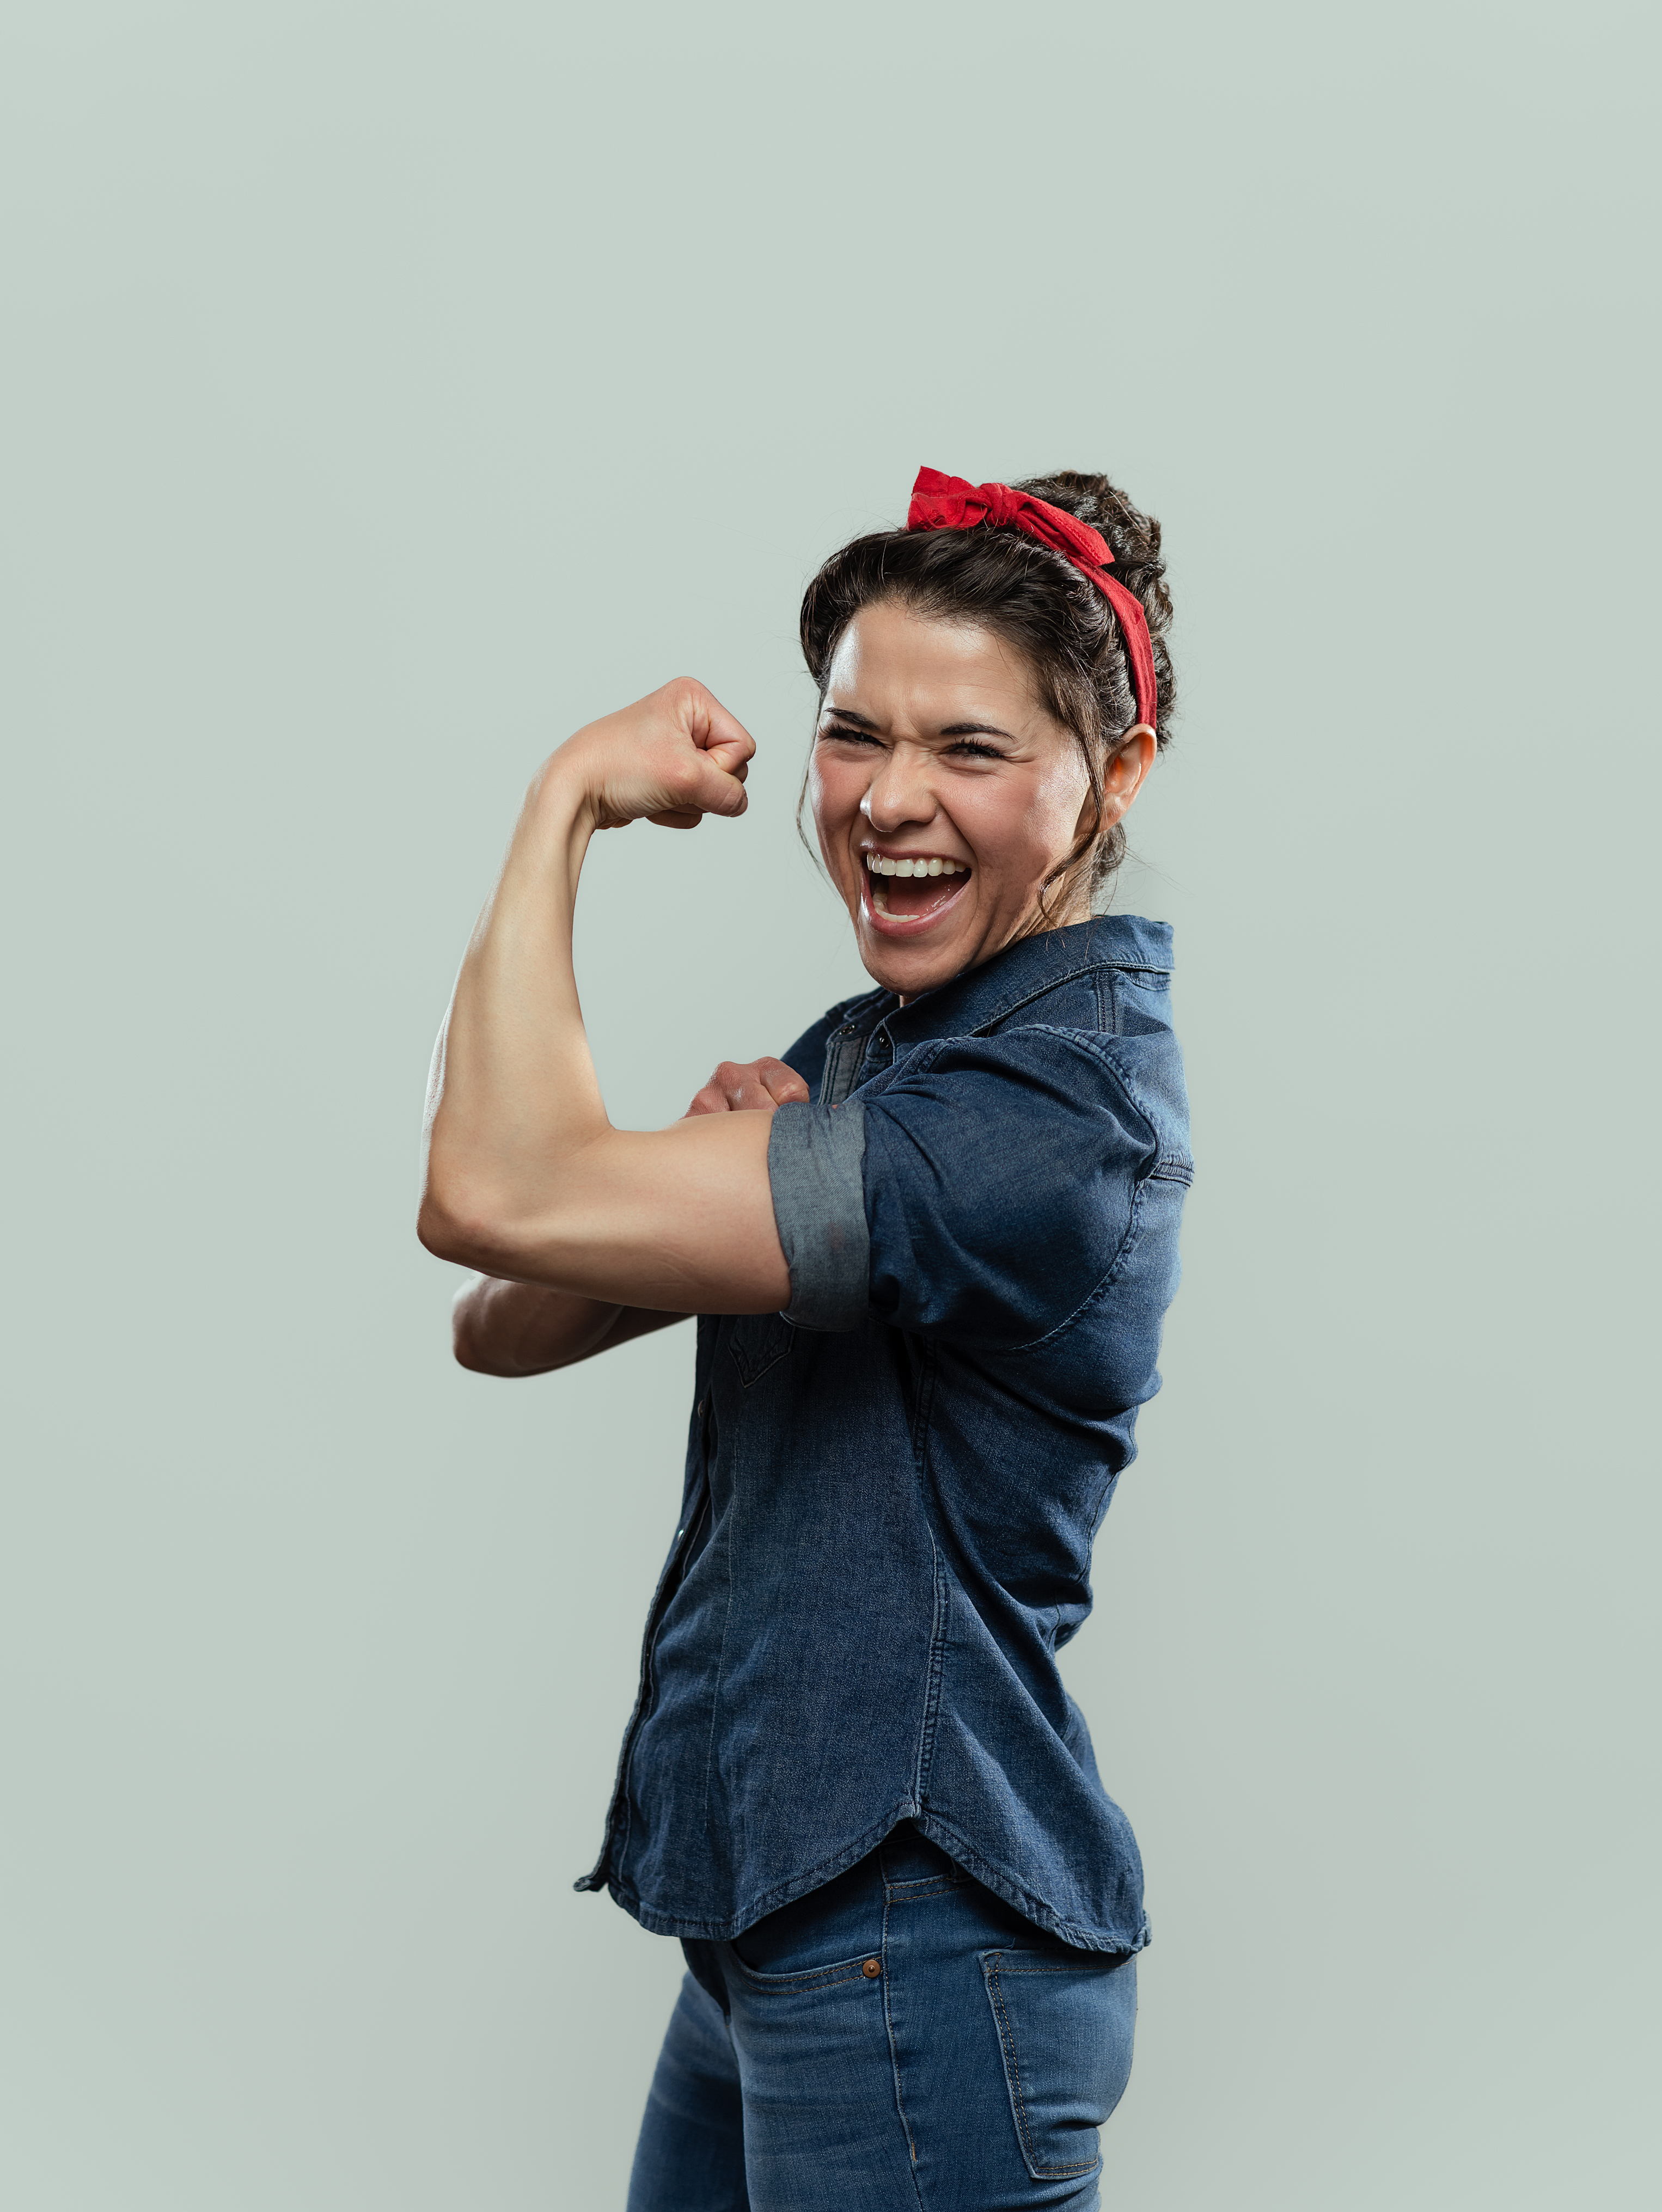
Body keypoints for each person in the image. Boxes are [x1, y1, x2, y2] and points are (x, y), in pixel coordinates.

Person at [419, 467, 1193, 2210]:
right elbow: (502, 1316)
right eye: (853, 734)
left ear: (1113, 773)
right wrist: (695, 1205)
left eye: (970, 748)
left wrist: (565, 803)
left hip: (918, 1955)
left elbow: (487, 1188)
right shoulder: (878, 1056)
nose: (888, 799)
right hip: (776, 1927)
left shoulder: (1039, 1121)